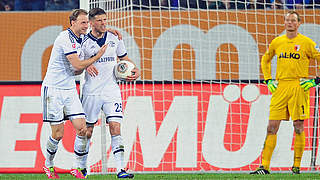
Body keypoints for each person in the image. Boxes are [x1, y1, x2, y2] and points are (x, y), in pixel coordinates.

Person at [250, 11, 320, 175]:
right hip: (280, 87)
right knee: (271, 127)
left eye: (293, 20)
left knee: (298, 126)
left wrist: (316, 80)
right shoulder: (277, 42)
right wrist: (268, 79)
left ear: (299, 23)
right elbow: (265, 59)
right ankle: (264, 167)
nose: (290, 23)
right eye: (287, 20)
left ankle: (296, 167)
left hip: (299, 86)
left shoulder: (307, 42)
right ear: (284, 22)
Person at [41, 9, 108, 179]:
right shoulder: (64, 38)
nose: (87, 25)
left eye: (87, 22)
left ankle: (78, 167)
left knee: (82, 129)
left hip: (70, 89)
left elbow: (77, 69)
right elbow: (77, 65)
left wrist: (111, 31)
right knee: (58, 134)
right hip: (53, 90)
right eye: (83, 22)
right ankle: (48, 164)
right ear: (73, 23)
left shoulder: (81, 39)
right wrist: (95, 57)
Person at [78, 7, 140, 179]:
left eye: (105, 20)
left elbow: (124, 58)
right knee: (87, 131)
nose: (104, 23)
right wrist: (86, 64)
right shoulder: (82, 41)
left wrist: (135, 70)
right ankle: (82, 168)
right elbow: (75, 62)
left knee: (115, 127)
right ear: (91, 23)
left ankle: (121, 169)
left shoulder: (115, 37)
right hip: (91, 91)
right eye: (100, 20)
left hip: (112, 90)